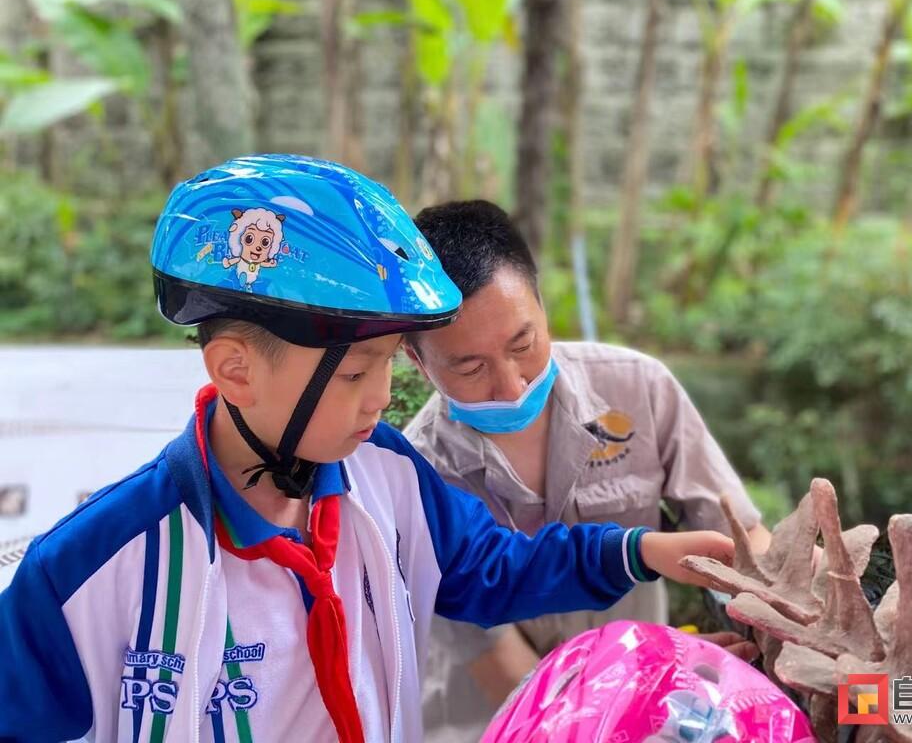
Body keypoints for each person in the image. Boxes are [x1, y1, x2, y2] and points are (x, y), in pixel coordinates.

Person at [0, 156, 735, 743]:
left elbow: (491, 567)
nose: (382, 398)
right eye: (355, 373)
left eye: (388, 366)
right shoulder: (91, 571)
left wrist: (639, 551)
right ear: (236, 371)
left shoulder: (386, 476)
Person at [403, 200, 771, 741]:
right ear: (417, 361)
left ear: (541, 305)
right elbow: (492, 655)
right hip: (503, 722)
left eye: (523, 344)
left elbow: (737, 540)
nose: (511, 384)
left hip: (651, 706)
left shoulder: (637, 388)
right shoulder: (415, 476)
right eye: (471, 367)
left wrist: (784, 592)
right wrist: (636, 686)